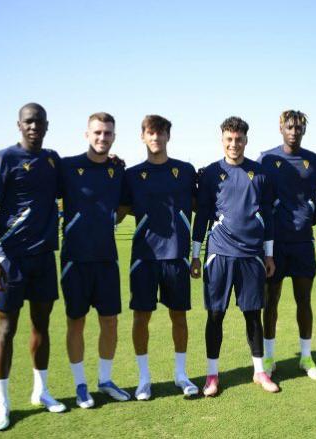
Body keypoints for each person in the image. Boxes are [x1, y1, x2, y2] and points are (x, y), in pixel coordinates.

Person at [0, 103, 66, 431]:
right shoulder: (4, 158)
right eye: (28, 122)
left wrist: (112, 161)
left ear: (47, 125)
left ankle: (41, 390)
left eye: (39, 122)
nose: (34, 127)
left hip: (44, 258)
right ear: (19, 124)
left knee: (41, 327)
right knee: (6, 329)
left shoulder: (52, 160)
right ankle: (1, 402)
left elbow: (75, 180)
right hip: (10, 260)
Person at [191, 116, 279, 396]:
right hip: (219, 254)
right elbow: (202, 215)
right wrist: (195, 254)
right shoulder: (210, 174)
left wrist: (269, 255)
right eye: (229, 139)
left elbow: (268, 216)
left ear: (246, 140)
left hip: (251, 255)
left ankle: (260, 371)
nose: (234, 144)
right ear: (222, 140)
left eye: (238, 139)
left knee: (253, 315)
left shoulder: (259, 173)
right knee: (215, 315)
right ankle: (212, 375)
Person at [118, 115, 198, 400]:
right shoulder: (131, 174)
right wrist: (110, 173)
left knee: (179, 316)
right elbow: (117, 215)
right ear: (143, 137)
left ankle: (181, 375)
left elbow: (204, 204)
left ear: (168, 137)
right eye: (151, 133)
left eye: (161, 133)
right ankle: (144, 379)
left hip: (177, 257)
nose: (156, 138)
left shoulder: (186, 171)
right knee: (141, 317)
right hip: (143, 258)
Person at [59, 112, 131, 409]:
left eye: (108, 133)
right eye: (98, 133)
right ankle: (80, 385)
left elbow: (126, 204)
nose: (103, 138)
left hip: (106, 258)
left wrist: (108, 221)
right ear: (87, 134)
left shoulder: (118, 170)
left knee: (110, 322)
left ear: (114, 136)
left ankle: (104, 380)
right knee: (75, 322)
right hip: (75, 258)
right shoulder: (67, 167)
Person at [257, 110, 316, 380]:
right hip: (273, 245)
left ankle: (306, 356)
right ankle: (268, 357)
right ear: (280, 128)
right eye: (290, 126)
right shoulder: (267, 158)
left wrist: (312, 216)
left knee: (304, 301)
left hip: (302, 244)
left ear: (304, 130)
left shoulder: (312, 161)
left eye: (299, 127)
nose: (294, 131)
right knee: (271, 301)